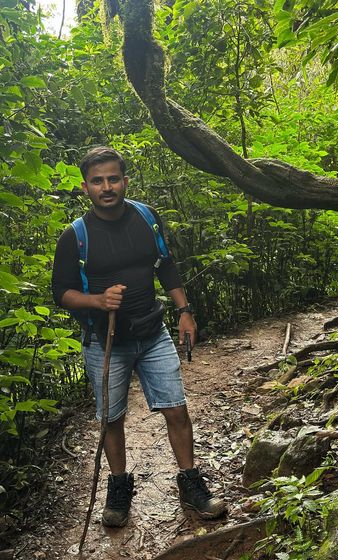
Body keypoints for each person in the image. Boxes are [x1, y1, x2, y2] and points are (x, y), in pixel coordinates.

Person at [52, 146, 226, 527]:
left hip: (152, 333)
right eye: (97, 181)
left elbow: (165, 264)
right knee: (111, 419)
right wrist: (97, 300)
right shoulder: (76, 236)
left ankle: (191, 484)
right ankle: (118, 486)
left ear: (125, 181)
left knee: (176, 409)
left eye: (113, 178)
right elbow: (61, 292)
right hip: (105, 341)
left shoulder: (146, 217)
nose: (106, 186)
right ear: (85, 188)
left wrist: (185, 311)